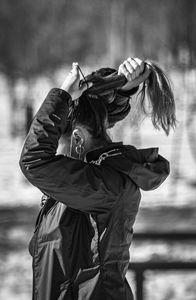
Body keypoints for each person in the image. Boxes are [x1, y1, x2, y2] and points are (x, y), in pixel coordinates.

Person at [19, 57, 170, 300]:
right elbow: (94, 114)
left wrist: (61, 95)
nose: (57, 159)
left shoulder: (105, 185)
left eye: (58, 149)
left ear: (77, 140)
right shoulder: (99, 175)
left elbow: (34, 160)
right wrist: (122, 89)